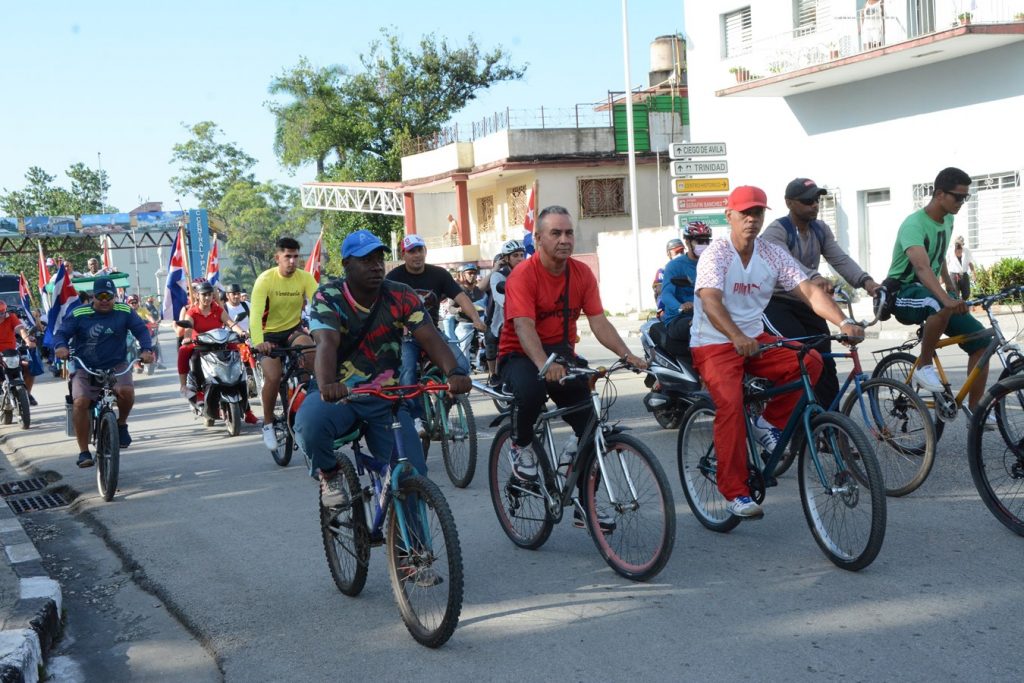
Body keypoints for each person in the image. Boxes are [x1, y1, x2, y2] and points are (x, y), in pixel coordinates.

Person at [690, 186, 863, 518]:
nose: (751, 220)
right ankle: (735, 492)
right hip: (714, 343)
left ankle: (769, 423)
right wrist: (736, 335)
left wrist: (844, 322)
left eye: (757, 213)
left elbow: (809, 291)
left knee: (810, 361)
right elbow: (710, 299)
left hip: (754, 339)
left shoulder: (771, 253)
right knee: (730, 405)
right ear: (729, 216)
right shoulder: (717, 254)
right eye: (744, 213)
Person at [294, 230, 471, 509]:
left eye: (379, 258)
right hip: (341, 395)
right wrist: (328, 384)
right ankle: (329, 473)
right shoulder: (328, 296)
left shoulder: (401, 295)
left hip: (387, 400)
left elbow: (430, 337)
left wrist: (454, 372)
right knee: (308, 427)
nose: (376, 265)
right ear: (346, 264)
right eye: (366, 260)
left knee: (412, 477)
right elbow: (326, 342)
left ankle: (412, 549)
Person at [498, 205, 647, 530]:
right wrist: (542, 365)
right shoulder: (523, 275)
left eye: (569, 233)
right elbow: (523, 327)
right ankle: (521, 445)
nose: (564, 239)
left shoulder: (581, 274)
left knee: (589, 423)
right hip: (521, 353)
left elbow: (598, 320)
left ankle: (586, 504)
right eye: (556, 233)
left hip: (561, 354)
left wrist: (627, 354)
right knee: (532, 390)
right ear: (538, 238)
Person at [761, 178, 880, 410]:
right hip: (777, 303)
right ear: (789, 203)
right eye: (807, 201)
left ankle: (831, 427)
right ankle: (793, 422)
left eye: (817, 200)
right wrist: (814, 277)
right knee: (801, 358)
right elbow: (787, 266)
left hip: (809, 302)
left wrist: (867, 283)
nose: (814, 205)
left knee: (825, 361)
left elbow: (840, 259)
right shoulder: (776, 231)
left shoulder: (820, 229)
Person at [886, 167, 990, 414]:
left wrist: (951, 289)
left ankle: (975, 411)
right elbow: (921, 266)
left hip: (930, 292)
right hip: (903, 292)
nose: (962, 202)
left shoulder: (949, 219)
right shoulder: (913, 224)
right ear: (940, 194)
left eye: (966, 197)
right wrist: (945, 299)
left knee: (982, 342)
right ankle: (923, 366)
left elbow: (938, 255)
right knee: (939, 304)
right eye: (958, 197)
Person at [385, 234, 482, 435]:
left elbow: (461, 296)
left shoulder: (439, 274)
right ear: (404, 254)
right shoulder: (393, 278)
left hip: (433, 335)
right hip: (407, 337)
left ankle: (443, 411)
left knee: (461, 368)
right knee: (408, 373)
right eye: (412, 251)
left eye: (420, 250)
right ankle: (416, 418)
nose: (417, 255)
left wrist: (476, 318)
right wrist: (396, 325)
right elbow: (383, 307)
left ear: (425, 252)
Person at [53, 277, 154, 467]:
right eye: (101, 296)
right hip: (85, 366)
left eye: (109, 296)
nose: (105, 300)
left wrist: (147, 349)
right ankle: (84, 452)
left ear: (115, 297)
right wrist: (60, 346)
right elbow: (62, 333)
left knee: (126, 391)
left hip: (117, 364)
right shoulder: (79, 312)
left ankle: (121, 424)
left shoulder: (124, 310)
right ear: (94, 297)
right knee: (81, 401)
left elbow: (141, 329)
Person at [250, 237, 318, 448]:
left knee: (312, 353)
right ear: (277, 257)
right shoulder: (265, 279)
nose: (292, 261)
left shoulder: (305, 278)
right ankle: (268, 424)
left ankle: (306, 403)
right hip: (267, 335)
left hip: (292, 330)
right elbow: (255, 315)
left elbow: (320, 305)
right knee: (273, 377)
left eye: (296, 256)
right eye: (287, 256)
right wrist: (259, 342)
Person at [660, 222, 712, 355]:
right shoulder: (674, 266)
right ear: (687, 242)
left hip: (709, 315)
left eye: (706, 241)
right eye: (699, 241)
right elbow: (666, 294)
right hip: (679, 318)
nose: (703, 245)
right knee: (697, 327)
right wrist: (681, 306)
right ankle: (700, 368)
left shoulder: (714, 264)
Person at [484, 240, 526, 384]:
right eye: (515, 255)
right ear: (506, 258)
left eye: (522, 255)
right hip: (502, 319)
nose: (520, 258)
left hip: (527, 318)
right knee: (492, 341)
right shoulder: (498, 276)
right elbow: (501, 300)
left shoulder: (528, 273)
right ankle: (494, 374)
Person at [0, 301, 38, 403]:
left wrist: (27, 340)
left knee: (29, 367)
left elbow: (20, 329)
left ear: (5, 311)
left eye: (2, 313)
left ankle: (27, 394)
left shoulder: (11, 317)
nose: (1, 316)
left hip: (11, 353)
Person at [653, 238, 686, 316]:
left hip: (689, 308)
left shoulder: (690, 269)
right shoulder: (662, 271)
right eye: (677, 252)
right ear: (668, 254)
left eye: (682, 251)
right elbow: (661, 292)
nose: (680, 254)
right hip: (668, 311)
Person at [947, 235, 975, 301]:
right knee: (955, 294)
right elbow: (945, 263)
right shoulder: (950, 251)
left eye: (961, 244)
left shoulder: (967, 251)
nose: (959, 246)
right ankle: (957, 308)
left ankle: (962, 303)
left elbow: (970, 263)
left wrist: (973, 273)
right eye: (957, 244)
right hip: (953, 275)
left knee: (966, 294)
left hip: (964, 274)